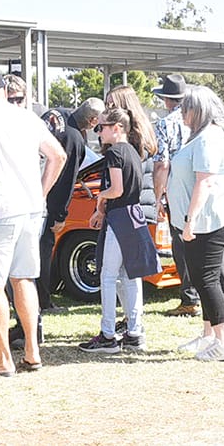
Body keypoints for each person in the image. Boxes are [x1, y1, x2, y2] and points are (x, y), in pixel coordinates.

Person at [0, 71, 66, 377]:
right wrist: (41, 194)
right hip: (30, 211)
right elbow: (57, 155)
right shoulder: (28, 117)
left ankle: (3, 358)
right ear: (5, 91)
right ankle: (32, 351)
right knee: (24, 280)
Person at [167, 85, 224, 361]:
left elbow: (205, 181)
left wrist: (190, 220)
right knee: (201, 278)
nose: (181, 112)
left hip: (209, 221)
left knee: (206, 280)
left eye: (186, 108)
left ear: (198, 110)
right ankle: (209, 335)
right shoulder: (200, 137)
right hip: (203, 221)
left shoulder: (208, 138)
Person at [77, 107, 158, 354]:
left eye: (101, 127)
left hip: (119, 217)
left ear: (117, 128)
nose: (98, 132)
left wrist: (101, 197)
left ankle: (108, 335)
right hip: (134, 216)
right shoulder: (133, 151)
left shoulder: (114, 154)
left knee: (109, 276)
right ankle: (134, 332)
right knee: (130, 275)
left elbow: (117, 189)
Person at [150, 75, 200, 317]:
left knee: (180, 242)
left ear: (165, 99)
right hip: (201, 182)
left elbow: (162, 163)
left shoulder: (164, 124)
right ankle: (220, 293)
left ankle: (190, 297)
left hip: (177, 189)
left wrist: (158, 196)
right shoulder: (199, 121)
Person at [38, 106, 87, 314]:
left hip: (25, 188)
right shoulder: (74, 138)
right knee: (42, 250)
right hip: (45, 200)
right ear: (92, 122)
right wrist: (60, 215)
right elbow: (66, 181)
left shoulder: (54, 112)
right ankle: (42, 301)